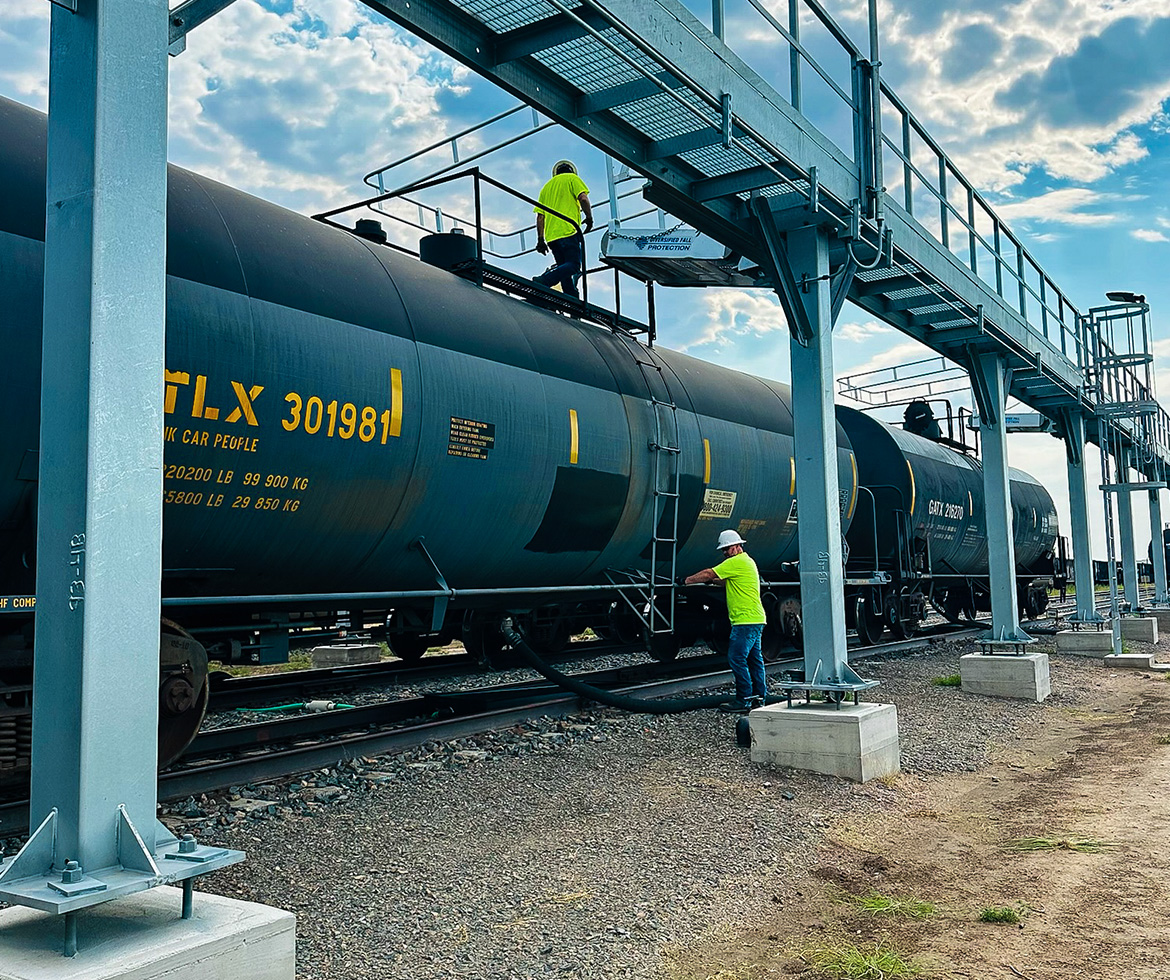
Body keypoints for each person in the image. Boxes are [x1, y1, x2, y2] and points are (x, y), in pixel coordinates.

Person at [684, 529, 768, 713]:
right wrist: (713, 582)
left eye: (726, 549)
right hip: (755, 619)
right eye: (723, 550)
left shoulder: (736, 562)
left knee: (737, 658)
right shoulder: (747, 561)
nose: (724, 553)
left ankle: (744, 700)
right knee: (755, 661)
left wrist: (687, 580)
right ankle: (759, 698)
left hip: (744, 621)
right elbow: (725, 581)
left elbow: (709, 573)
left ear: (737, 546)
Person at [533, 160, 593, 299]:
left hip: (552, 236)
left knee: (563, 268)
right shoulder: (572, 179)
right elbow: (583, 199)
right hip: (568, 230)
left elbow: (540, 217)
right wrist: (589, 218)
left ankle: (570, 296)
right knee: (573, 265)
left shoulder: (546, 188)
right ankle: (545, 280)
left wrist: (540, 240)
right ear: (571, 171)